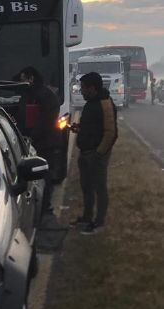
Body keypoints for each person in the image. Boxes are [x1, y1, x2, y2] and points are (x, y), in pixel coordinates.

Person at [70, 72, 117, 235]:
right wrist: (77, 128)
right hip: (85, 153)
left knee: (99, 188)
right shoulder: (90, 103)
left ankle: (99, 223)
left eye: (83, 88)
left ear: (92, 88)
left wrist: (99, 154)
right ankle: (87, 217)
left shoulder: (104, 103)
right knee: (87, 187)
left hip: (96, 155)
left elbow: (110, 132)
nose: (81, 91)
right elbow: (91, 127)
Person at [17, 67, 61, 216]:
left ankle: (45, 207)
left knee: (45, 174)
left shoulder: (45, 95)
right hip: (33, 141)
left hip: (45, 143)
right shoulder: (29, 94)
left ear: (31, 78)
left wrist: (32, 136)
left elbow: (46, 120)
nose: (21, 83)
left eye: (23, 79)